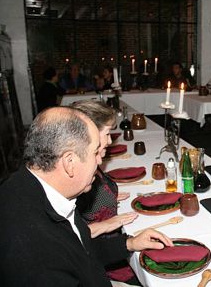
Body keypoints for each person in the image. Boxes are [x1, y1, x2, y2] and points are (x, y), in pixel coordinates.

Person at [0, 107, 173, 286]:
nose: (100, 161)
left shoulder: (32, 187)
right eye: (95, 153)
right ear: (69, 162)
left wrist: (129, 243)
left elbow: (80, 250)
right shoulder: (34, 253)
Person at [72, 100, 139, 284]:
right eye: (107, 133)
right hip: (106, 261)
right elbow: (72, 234)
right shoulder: (78, 178)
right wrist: (111, 222)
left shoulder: (91, 166)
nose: (110, 141)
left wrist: (111, 195)